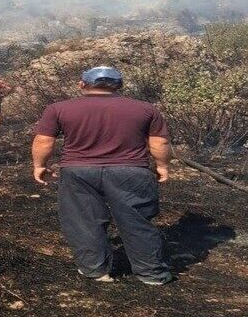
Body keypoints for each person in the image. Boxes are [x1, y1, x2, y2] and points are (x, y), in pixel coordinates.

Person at [31, 66, 174, 285]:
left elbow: (43, 140)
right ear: (120, 86)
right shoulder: (145, 109)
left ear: (82, 84)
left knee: (83, 220)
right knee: (137, 220)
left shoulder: (58, 108)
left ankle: (95, 270)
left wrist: (39, 165)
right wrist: (162, 166)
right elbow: (160, 142)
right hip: (130, 171)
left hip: (78, 171)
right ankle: (151, 274)